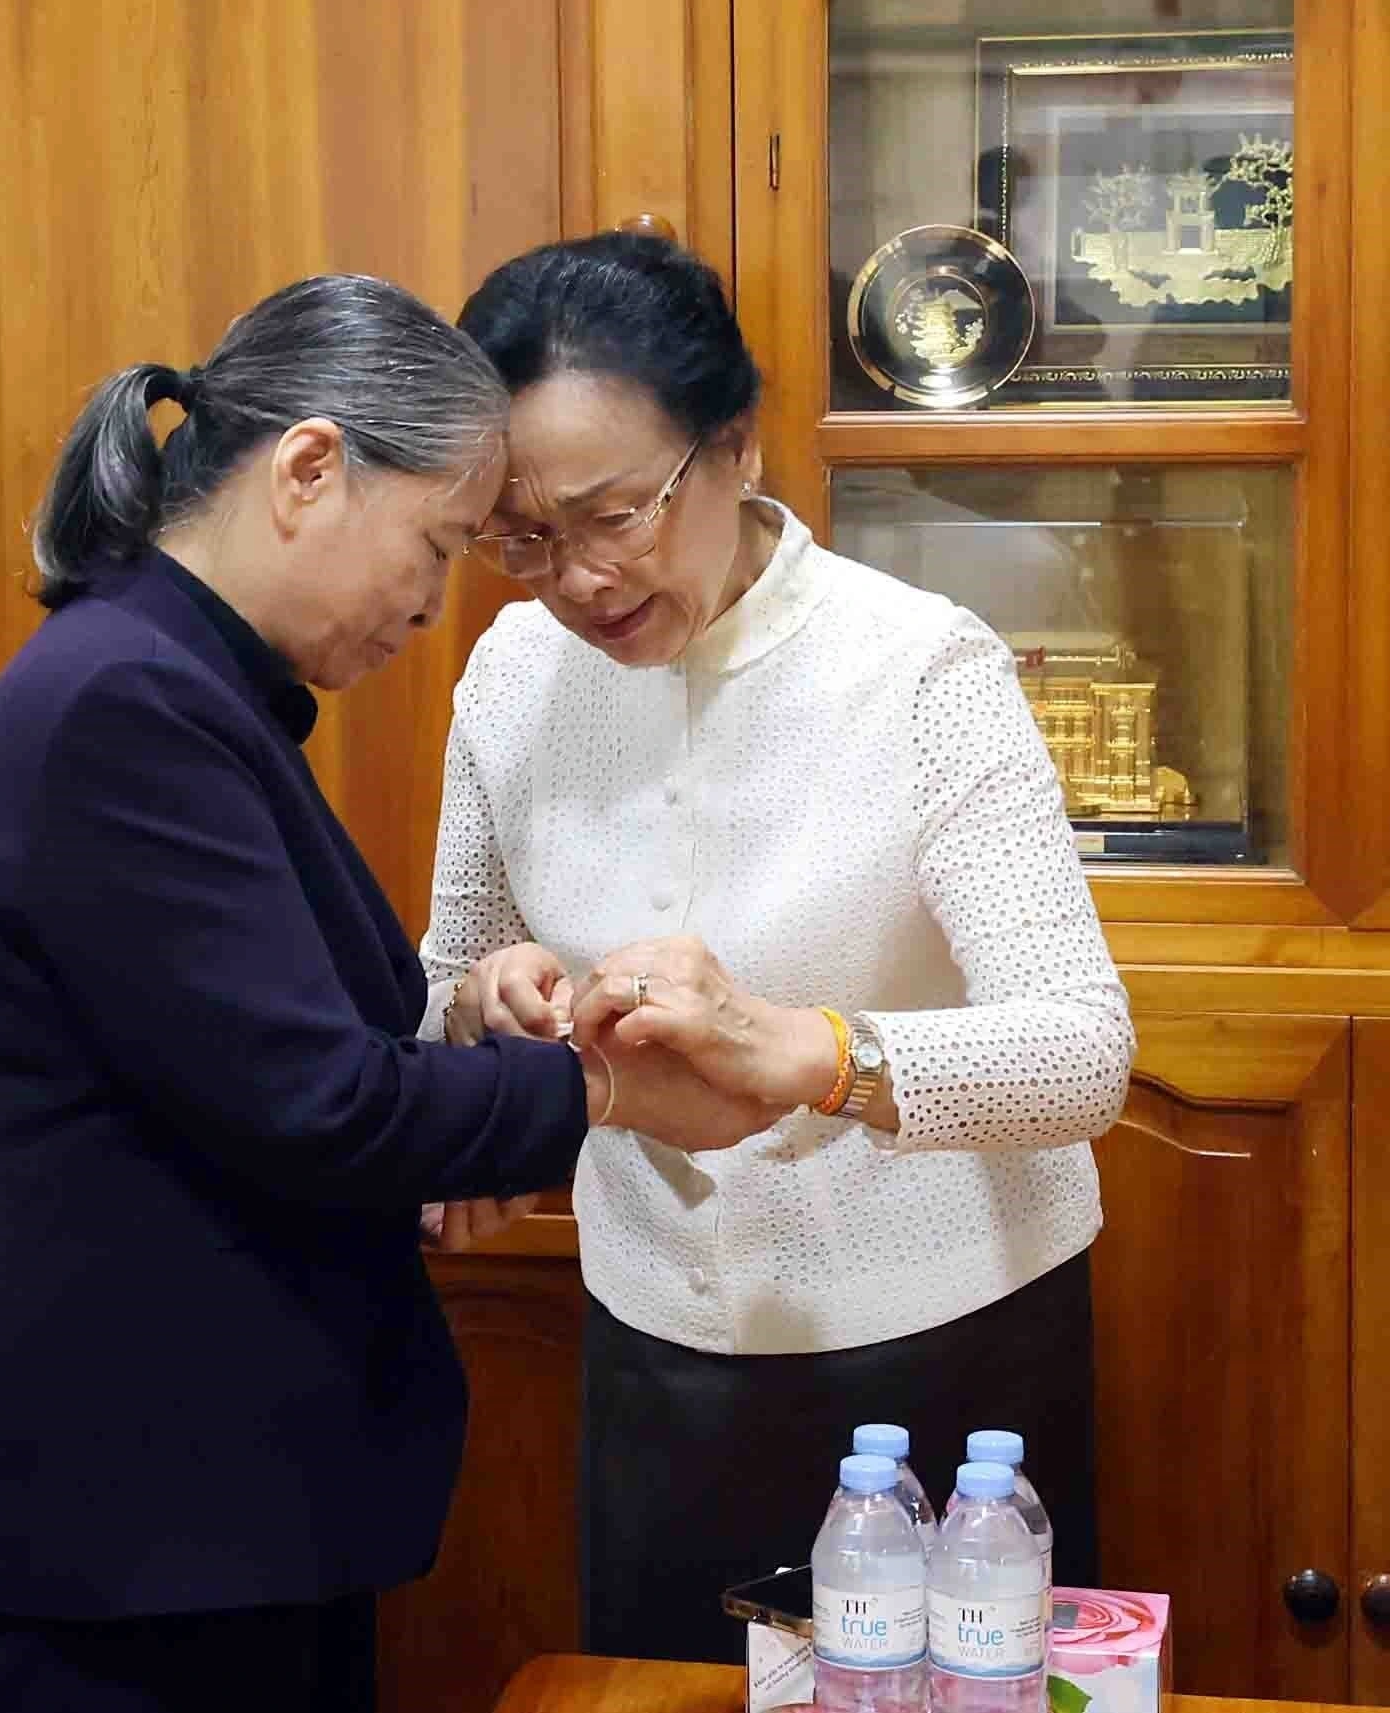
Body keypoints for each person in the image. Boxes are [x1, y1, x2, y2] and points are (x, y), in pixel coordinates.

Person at [0, 272, 778, 1713]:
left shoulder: (184, 682)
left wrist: (477, 1028)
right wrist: (610, 1090)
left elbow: (264, 1057)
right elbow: (320, 1105)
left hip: (205, 1524)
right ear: (309, 468)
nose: (434, 606)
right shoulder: (129, 704)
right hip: (132, 1538)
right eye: (435, 544)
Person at [419, 232, 1136, 1660]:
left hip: (948, 1357)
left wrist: (811, 1057)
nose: (572, 577)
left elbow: (1079, 1052)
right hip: (655, 1351)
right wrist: (485, 1004)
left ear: (733, 447)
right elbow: (449, 972)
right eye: (520, 535)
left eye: (613, 514)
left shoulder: (920, 668)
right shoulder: (511, 676)